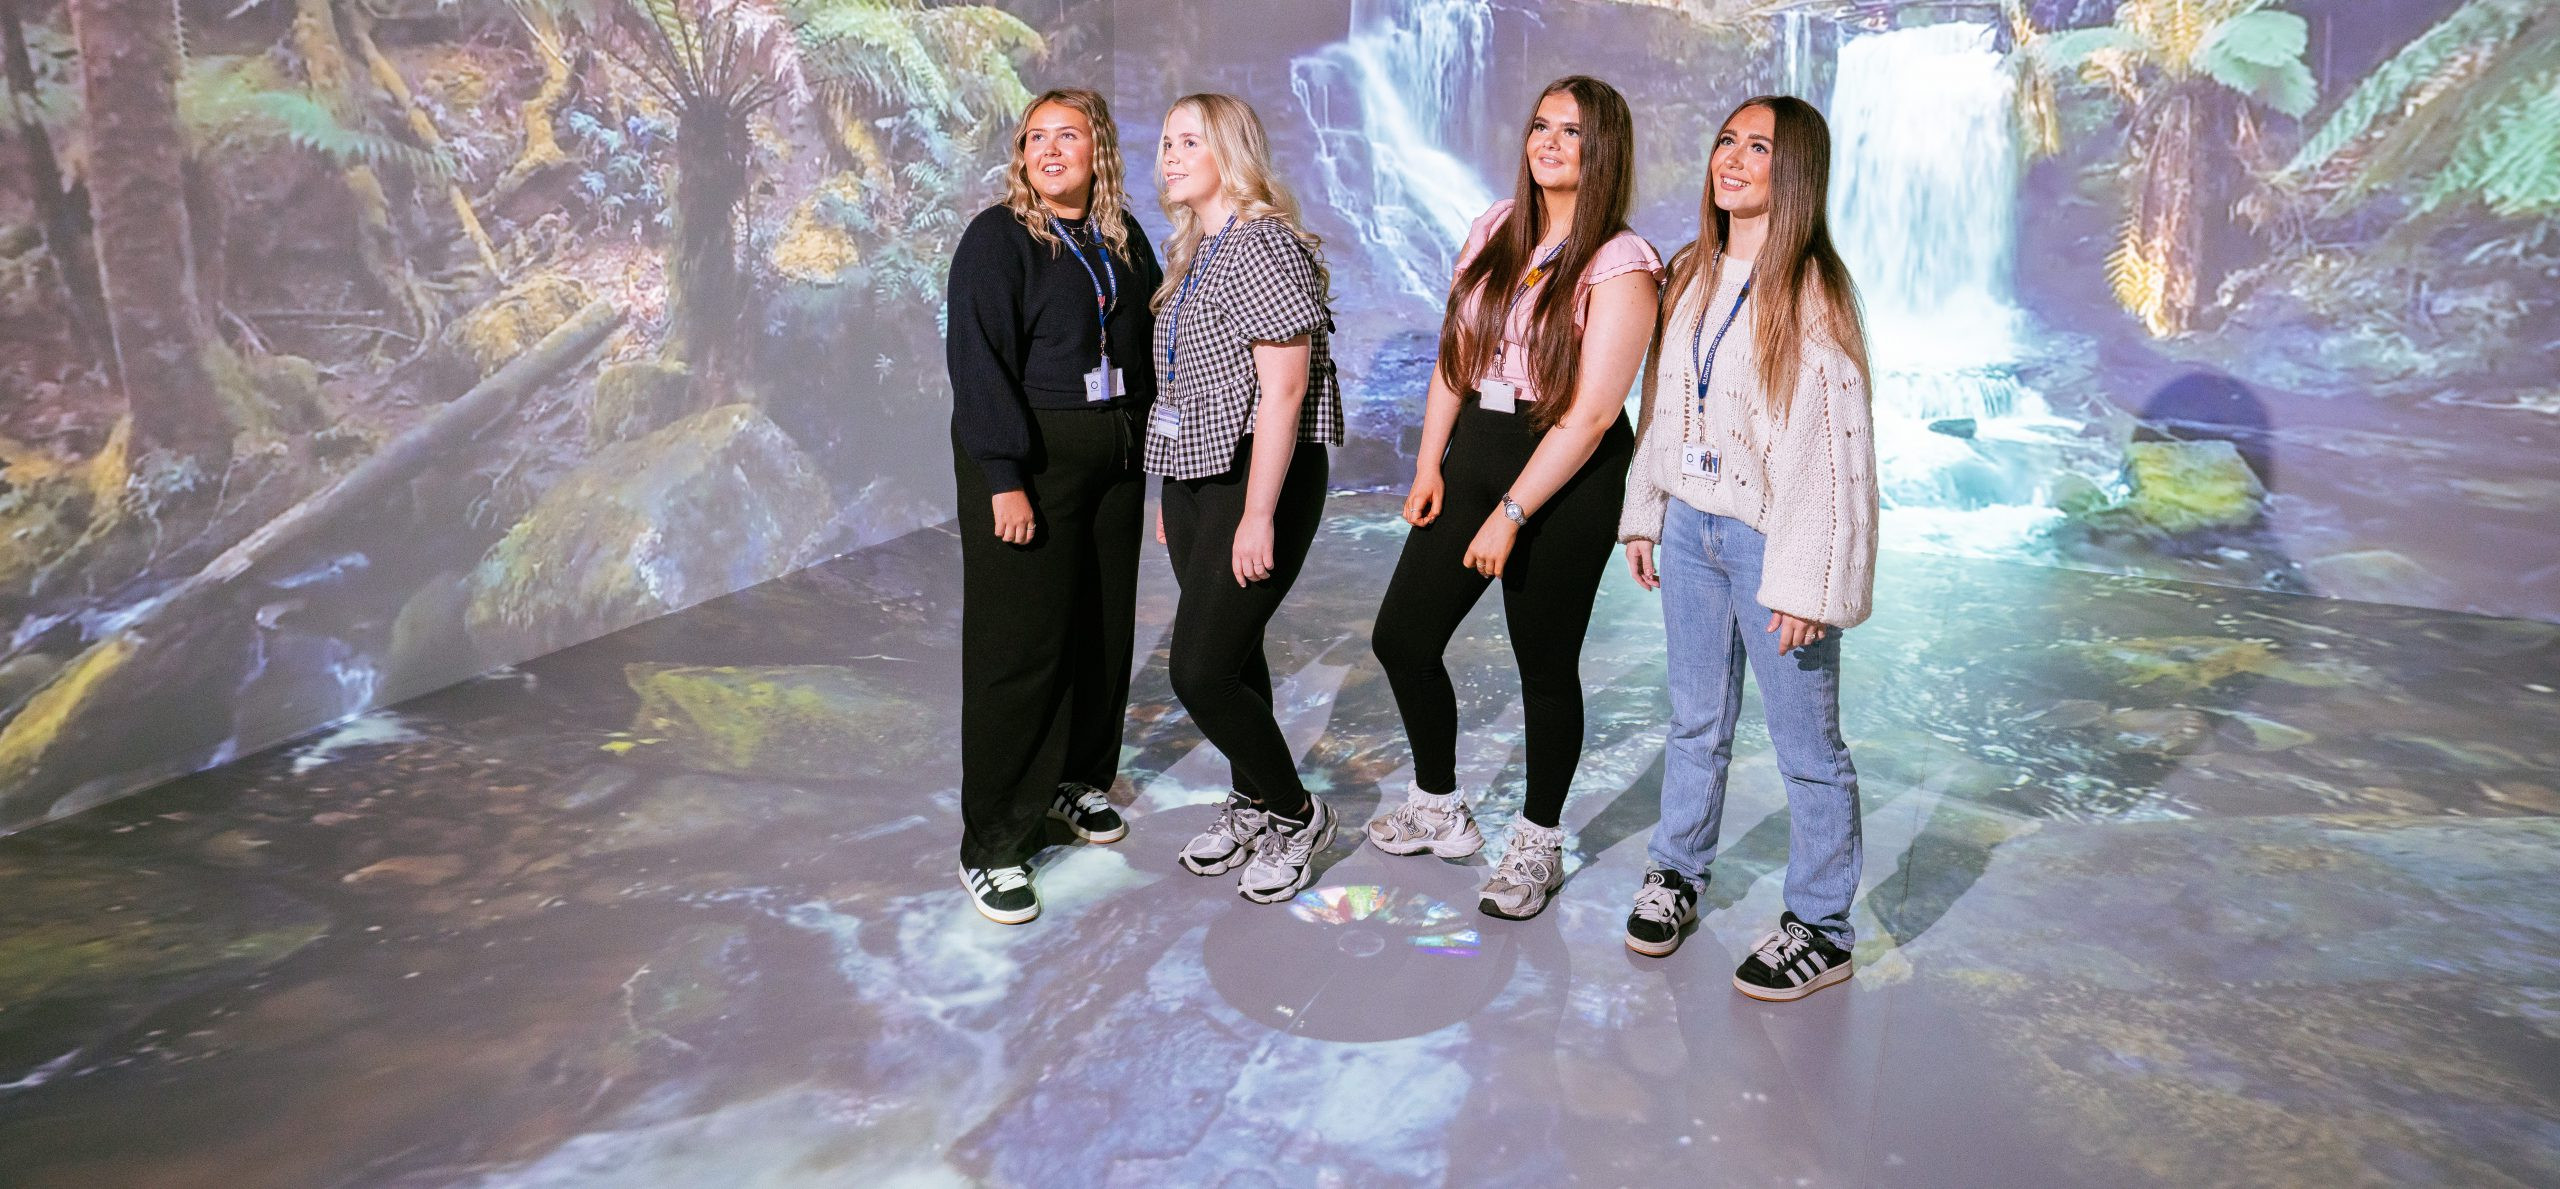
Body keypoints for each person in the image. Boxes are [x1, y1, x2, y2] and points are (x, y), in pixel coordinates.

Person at [1364, 76, 1660, 922]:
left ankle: (1537, 840)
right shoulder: (1494, 227)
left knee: (1545, 664)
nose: (1549, 142)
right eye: (1540, 125)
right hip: (1479, 449)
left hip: (1569, 472)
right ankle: (1438, 805)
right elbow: (1455, 356)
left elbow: (1592, 414)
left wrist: (1512, 513)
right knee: (1402, 636)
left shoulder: (1623, 262)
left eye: (1572, 131)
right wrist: (1431, 463)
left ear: (1603, 150)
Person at [1616, 95, 1879, 1001]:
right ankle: (1677, 871)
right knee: (1696, 720)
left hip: (1772, 544)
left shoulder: (1812, 290)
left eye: (1757, 147)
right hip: (1692, 530)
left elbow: (1831, 457)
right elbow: (1667, 402)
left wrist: (1810, 583)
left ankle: (1822, 927)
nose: (1730, 158)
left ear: (1793, 169)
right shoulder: (1690, 270)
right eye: (1726, 140)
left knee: (1808, 746)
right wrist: (1646, 508)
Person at [947, 88, 1163, 925]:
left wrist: (1159, 458)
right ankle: (994, 841)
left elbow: (1146, 349)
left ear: (1097, 149)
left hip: (1114, 463)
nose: (1048, 149)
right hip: (1031, 471)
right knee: (1022, 648)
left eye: (1066, 135)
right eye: (1035, 137)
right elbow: (978, 364)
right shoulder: (997, 239)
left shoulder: (1120, 237)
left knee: (1102, 632)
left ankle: (1075, 781)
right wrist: (1003, 476)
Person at [1145, 93, 1344, 905]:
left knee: (1198, 670)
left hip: (1258, 474)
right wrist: (1173, 488)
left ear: (1230, 152)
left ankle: (1297, 813)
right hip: (1199, 473)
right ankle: (1252, 799)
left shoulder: (1261, 244)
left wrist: (1259, 513)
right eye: (1166, 142)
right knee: (1233, 653)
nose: (1170, 155)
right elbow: (1187, 386)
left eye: (1189, 141)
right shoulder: (1197, 247)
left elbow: (1284, 391)